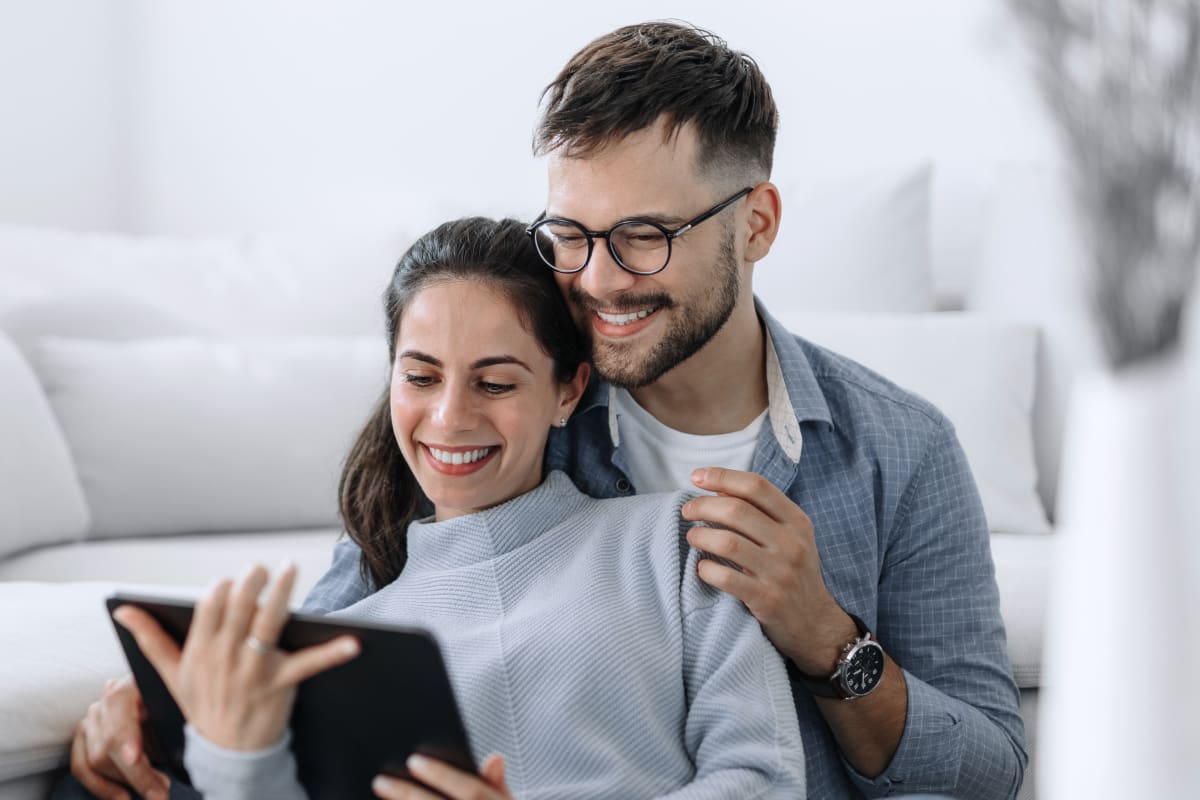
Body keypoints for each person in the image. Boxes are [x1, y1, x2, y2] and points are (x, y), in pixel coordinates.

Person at [66, 20, 1027, 800]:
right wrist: (156, 710)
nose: (599, 280)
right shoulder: (510, 406)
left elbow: (990, 770)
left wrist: (826, 636)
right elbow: (332, 645)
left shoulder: (898, 449)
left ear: (757, 224)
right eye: (571, 233)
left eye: (645, 237)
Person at [68, 217, 806, 800]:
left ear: (569, 391)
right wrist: (236, 757)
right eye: (421, 376)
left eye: (495, 384)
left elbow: (764, 781)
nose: (450, 420)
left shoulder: (678, 546)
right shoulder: (349, 642)